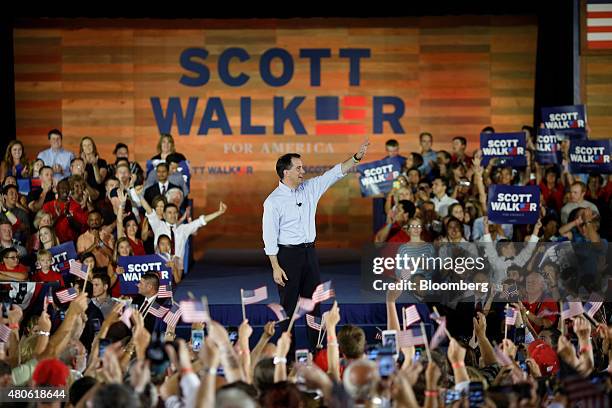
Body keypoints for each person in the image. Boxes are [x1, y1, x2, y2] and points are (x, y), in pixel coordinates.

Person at [262, 140, 369, 351]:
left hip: (309, 253)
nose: (304, 170)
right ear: (286, 172)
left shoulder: (310, 188)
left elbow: (334, 173)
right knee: (288, 308)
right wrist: (275, 266)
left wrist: (356, 158)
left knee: (315, 305)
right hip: (287, 257)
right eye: (298, 168)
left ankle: (317, 352)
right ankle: (287, 356)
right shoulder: (273, 201)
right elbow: (269, 236)